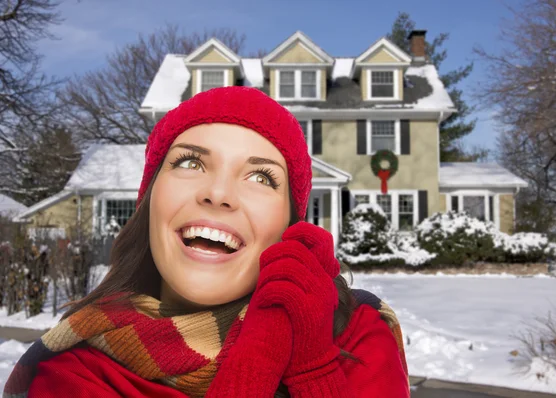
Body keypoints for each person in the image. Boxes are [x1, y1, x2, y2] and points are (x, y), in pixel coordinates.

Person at [4, 87, 410, 397]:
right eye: (190, 162)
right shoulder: (66, 370)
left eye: (261, 177)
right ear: (150, 199)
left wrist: (313, 370)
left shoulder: (357, 337)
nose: (218, 193)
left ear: (291, 225)